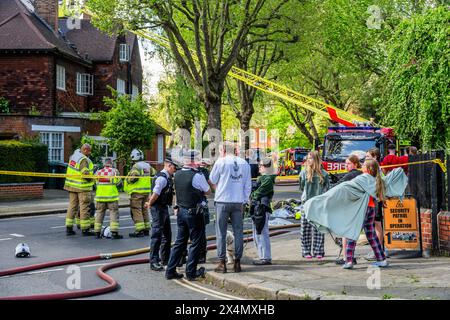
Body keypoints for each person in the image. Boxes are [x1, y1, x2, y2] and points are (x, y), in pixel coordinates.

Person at [165, 150, 210, 281]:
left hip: (181, 212)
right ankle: (191, 272)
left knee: (180, 242)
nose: (199, 161)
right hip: (194, 213)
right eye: (197, 159)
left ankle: (170, 270)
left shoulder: (177, 174)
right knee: (196, 242)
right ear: (192, 161)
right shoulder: (197, 175)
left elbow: (177, 193)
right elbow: (207, 191)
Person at [209, 141, 252, 273]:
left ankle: (222, 263)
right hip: (238, 201)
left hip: (222, 201)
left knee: (221, 232)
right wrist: (244, 200)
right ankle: (237, 263)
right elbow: (247, 185)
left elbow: (212, 179)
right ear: (234, 150)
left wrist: (219, 189)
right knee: (238, 232)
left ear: (222, 150)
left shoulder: (220, 162)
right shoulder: (244, 164)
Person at [343, 159, 388, 269]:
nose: (361, 166)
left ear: (368, 169)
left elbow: (349, 188)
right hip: (371, 208)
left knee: (352, 233)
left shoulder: (362, 178)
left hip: (361, 208)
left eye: (363, 165)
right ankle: (381, 259)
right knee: (371, 235)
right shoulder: (375, 179)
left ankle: (349, 260)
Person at [145, 158, 178, 271]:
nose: (175, 169)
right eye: (174, 167)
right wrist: (149, 203)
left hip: (163, 208)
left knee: (167, 235)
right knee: (157, 235)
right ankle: (153, 261)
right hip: (158, 208)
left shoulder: (168, 178)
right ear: (168, 166)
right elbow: (155, 194)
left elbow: (170, 194)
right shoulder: (162, 179)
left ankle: (165, 259)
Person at [299, 150, 330, 260]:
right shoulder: (303, 173)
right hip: (306, 204)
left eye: (310, 158)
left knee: (319, 229)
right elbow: (302, 187)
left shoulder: (324, 174)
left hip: (319, 205)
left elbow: (327, 189)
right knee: (305, 229)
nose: (308, 160)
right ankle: (306, 251)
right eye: (307, 158)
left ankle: (319, 251)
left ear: (316, 160)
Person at [334, 154, 363, 265]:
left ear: (355, 164)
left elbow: (336, 187)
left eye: (348, 163)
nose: (346, 165)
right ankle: (351, 256)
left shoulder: (349, 176)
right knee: (353, 232)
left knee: (345, 232)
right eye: (345, 163)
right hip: (358, 205)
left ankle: (346, 257)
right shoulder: (361, 174)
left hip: (348, 205)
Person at [64, 144, 95, 236]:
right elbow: (85, 174)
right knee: (84, 207)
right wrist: (93, 177)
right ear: (85, 150)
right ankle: (85, 229)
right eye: (89, 151)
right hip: (82, 187)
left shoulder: (74, 156)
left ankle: (69, 228)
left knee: (72, 206)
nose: (90, 153)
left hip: (71, 186)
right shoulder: (83, 160)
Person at [250, 157, 277, 265]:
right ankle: (262, 256)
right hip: (258, 208)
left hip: (262, 208)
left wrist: (252, 194)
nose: (259, 167)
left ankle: (265, 257)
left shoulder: (267, 179)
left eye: (260, 165)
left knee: (261, 233)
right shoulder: (263, 178)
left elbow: (258, 193)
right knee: (257, 233)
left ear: (266, 167)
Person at [125, 149, 154, 238]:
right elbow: (154, 173)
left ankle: (139, 230)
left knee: (136, 210)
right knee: (144, 210)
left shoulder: (136, 166)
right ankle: (146, 229)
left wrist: (128, 180)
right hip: (146, 192)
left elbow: (134, 177)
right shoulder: (148, 166)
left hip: (137, 192)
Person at [94, 158, 123, 239]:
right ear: (111, 163)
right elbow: (119, 183)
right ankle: (114, 233)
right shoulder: (114, 171)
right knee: (113, 213)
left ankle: (97, 232)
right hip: (112, 197)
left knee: (99, 214)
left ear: (104, 164)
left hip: (100, 197)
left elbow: (95, 183)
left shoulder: (98, 172)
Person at [365, 147, 385, 259]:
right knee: (374, 225)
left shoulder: (378, 169)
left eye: (368, 156)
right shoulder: (373, 168)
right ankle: (377, 250)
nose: (366, 158)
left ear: (375, 157)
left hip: (376, 200)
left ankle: (378, 250)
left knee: (377, 224)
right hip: (374, 199)